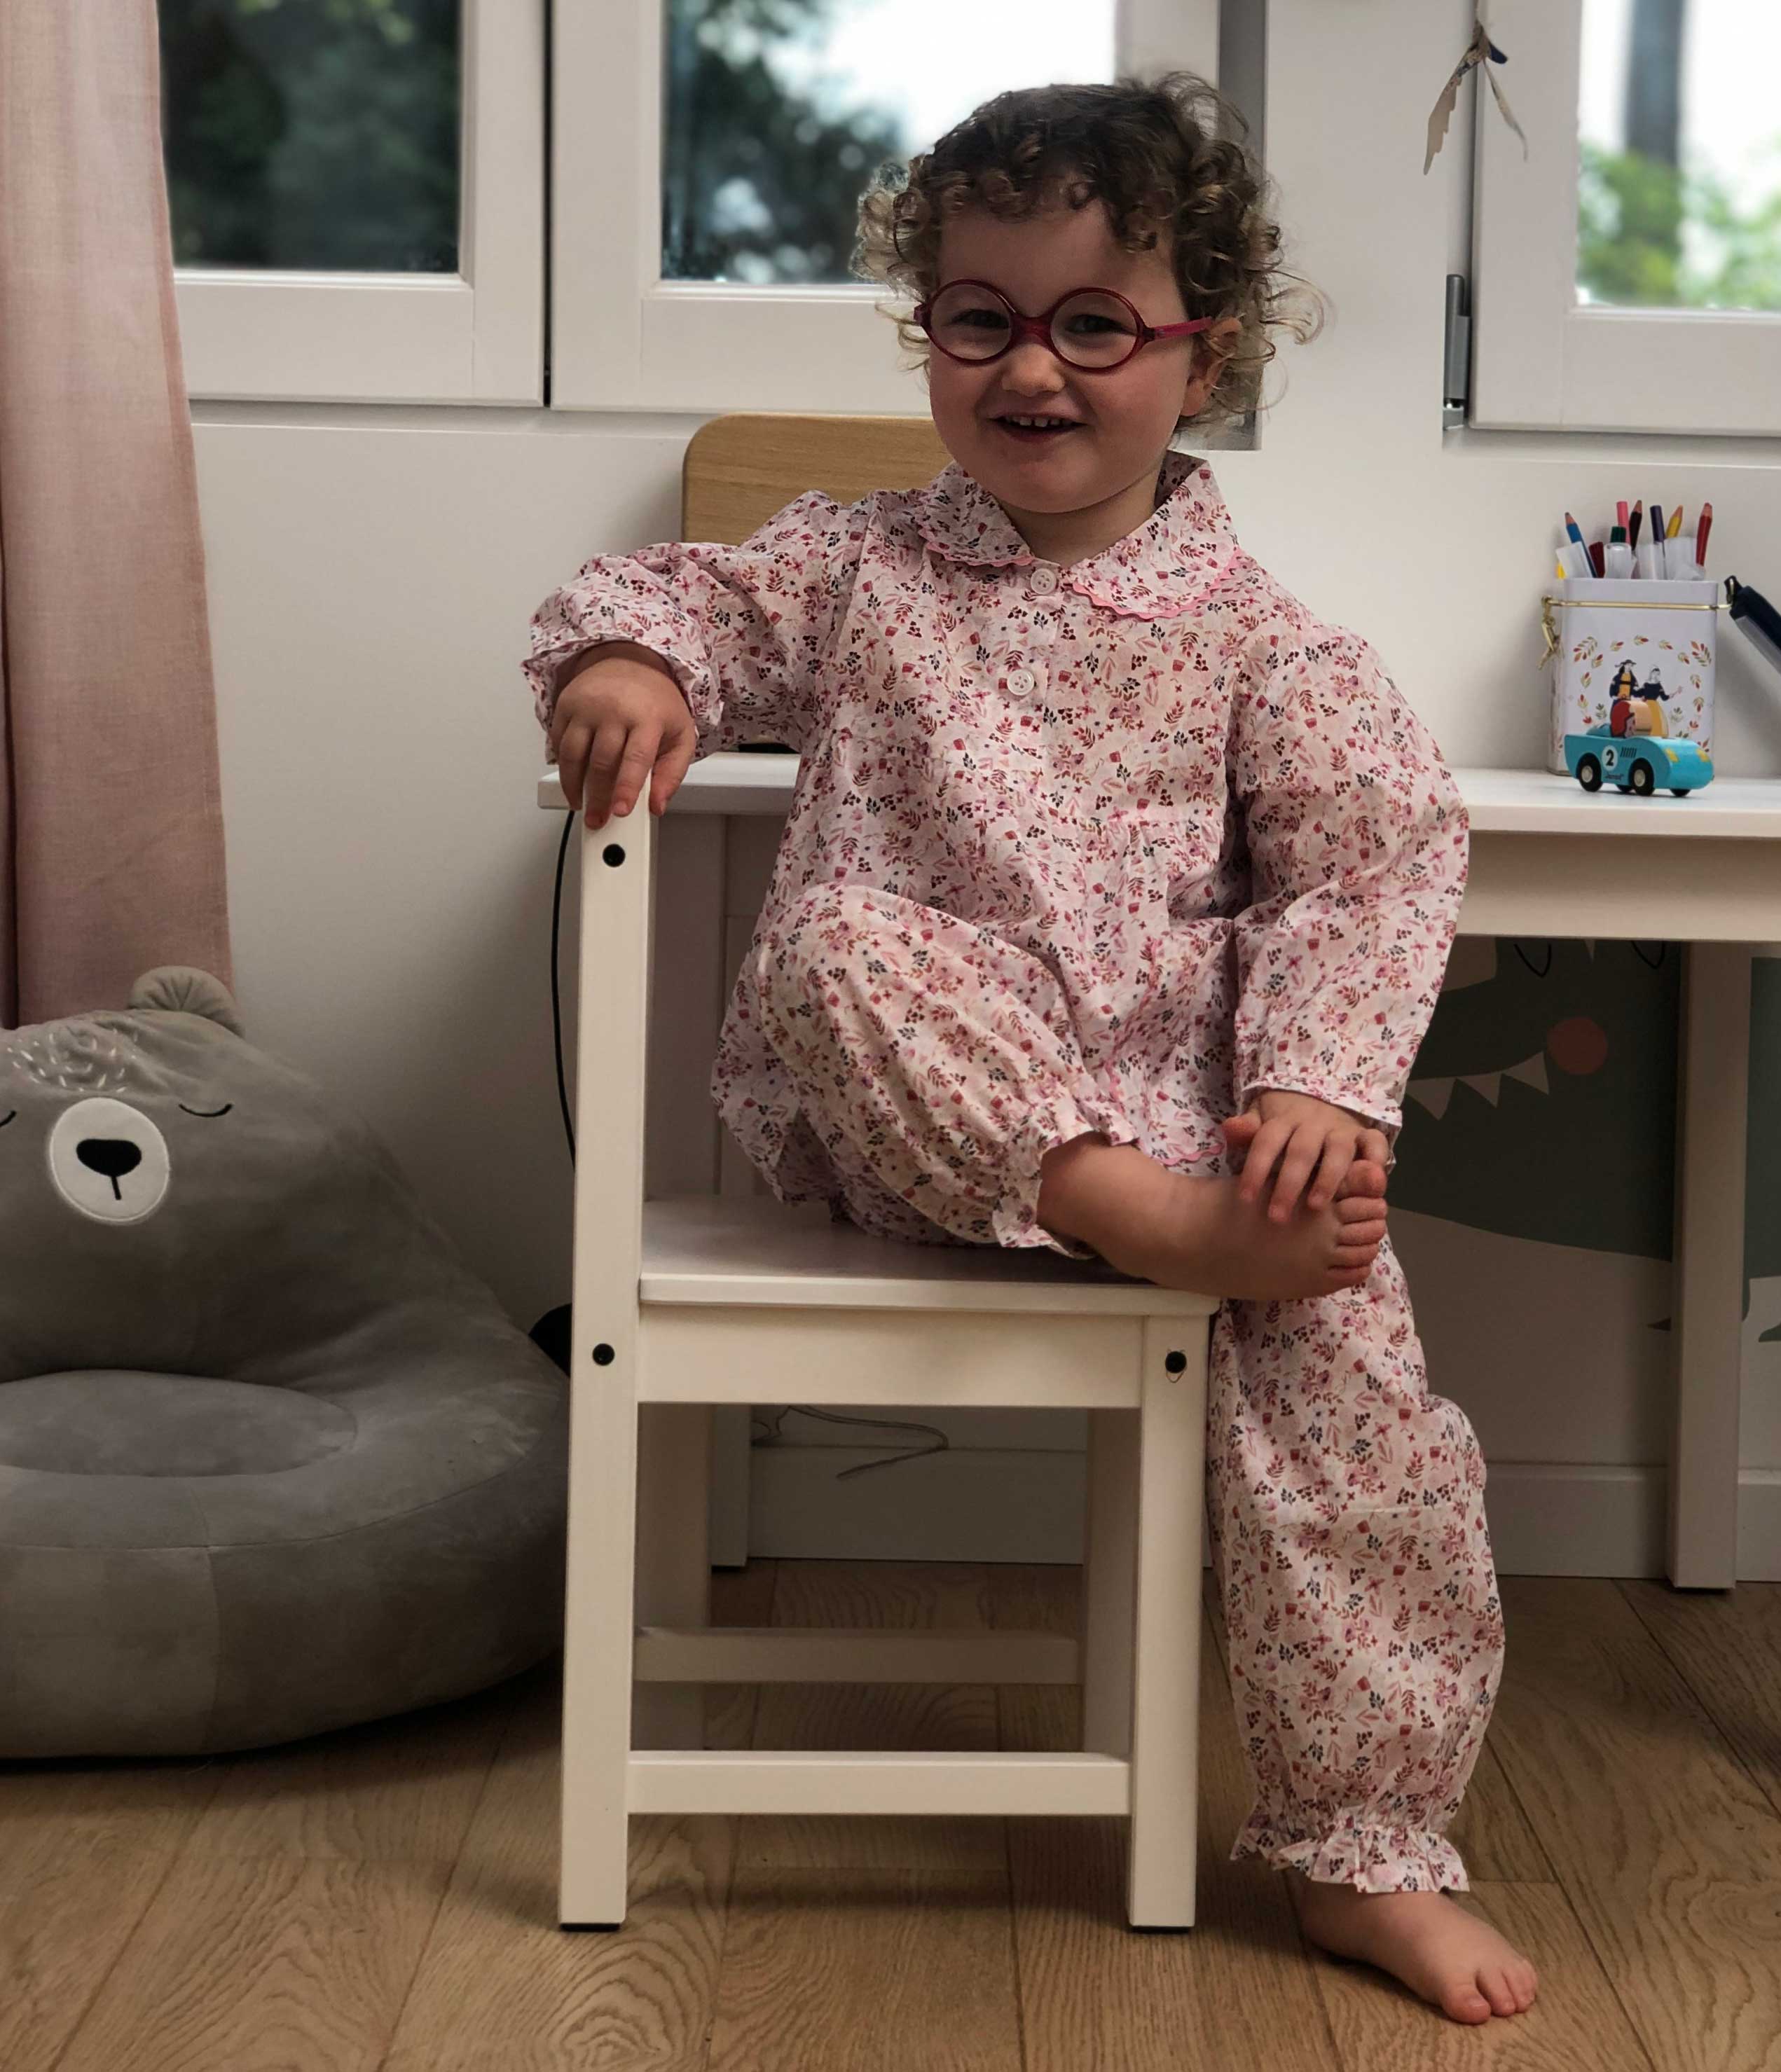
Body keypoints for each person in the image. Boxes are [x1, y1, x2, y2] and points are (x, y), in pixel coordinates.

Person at [523, 74, 1532, 2026]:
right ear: (930, 335)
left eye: (1094, 324)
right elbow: (678, 594)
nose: (1032, 368)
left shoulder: (1268, 645)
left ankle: (1369, 1849)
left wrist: (1313, 1087)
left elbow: (1375, 858)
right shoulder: (857, 567)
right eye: (979, 318)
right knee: (835, 936)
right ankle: (1134, 1216)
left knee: (1355, 1393)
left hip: (1200, 1145)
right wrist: (631, 663)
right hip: (915, 1121)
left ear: (1200, 356)